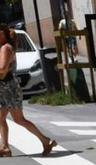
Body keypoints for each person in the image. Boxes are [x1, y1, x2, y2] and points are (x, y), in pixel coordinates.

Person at [0, 25, 56, 158]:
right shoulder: (5, 47)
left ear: (2, 35)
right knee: (1, 118)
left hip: (9, 88)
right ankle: (5, 147)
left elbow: (2, 68)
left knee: (19, 119)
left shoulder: (5, 48)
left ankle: (45, 140)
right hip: (5, 88)